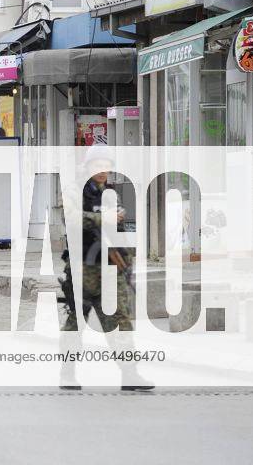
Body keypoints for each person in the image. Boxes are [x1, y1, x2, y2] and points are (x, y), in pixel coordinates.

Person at [58, 144, 153, 391]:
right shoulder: (74, 190)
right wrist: (103, 218)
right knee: (77, 320)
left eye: (106, 166)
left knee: (120, 320)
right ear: (88, 166)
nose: (102, 171)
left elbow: (119, 231)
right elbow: (70, 218)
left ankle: (130, 374)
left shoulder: (110, 194)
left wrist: (127, 261)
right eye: (97, 165)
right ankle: (67, 372)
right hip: (83, 267)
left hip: (110, 266)